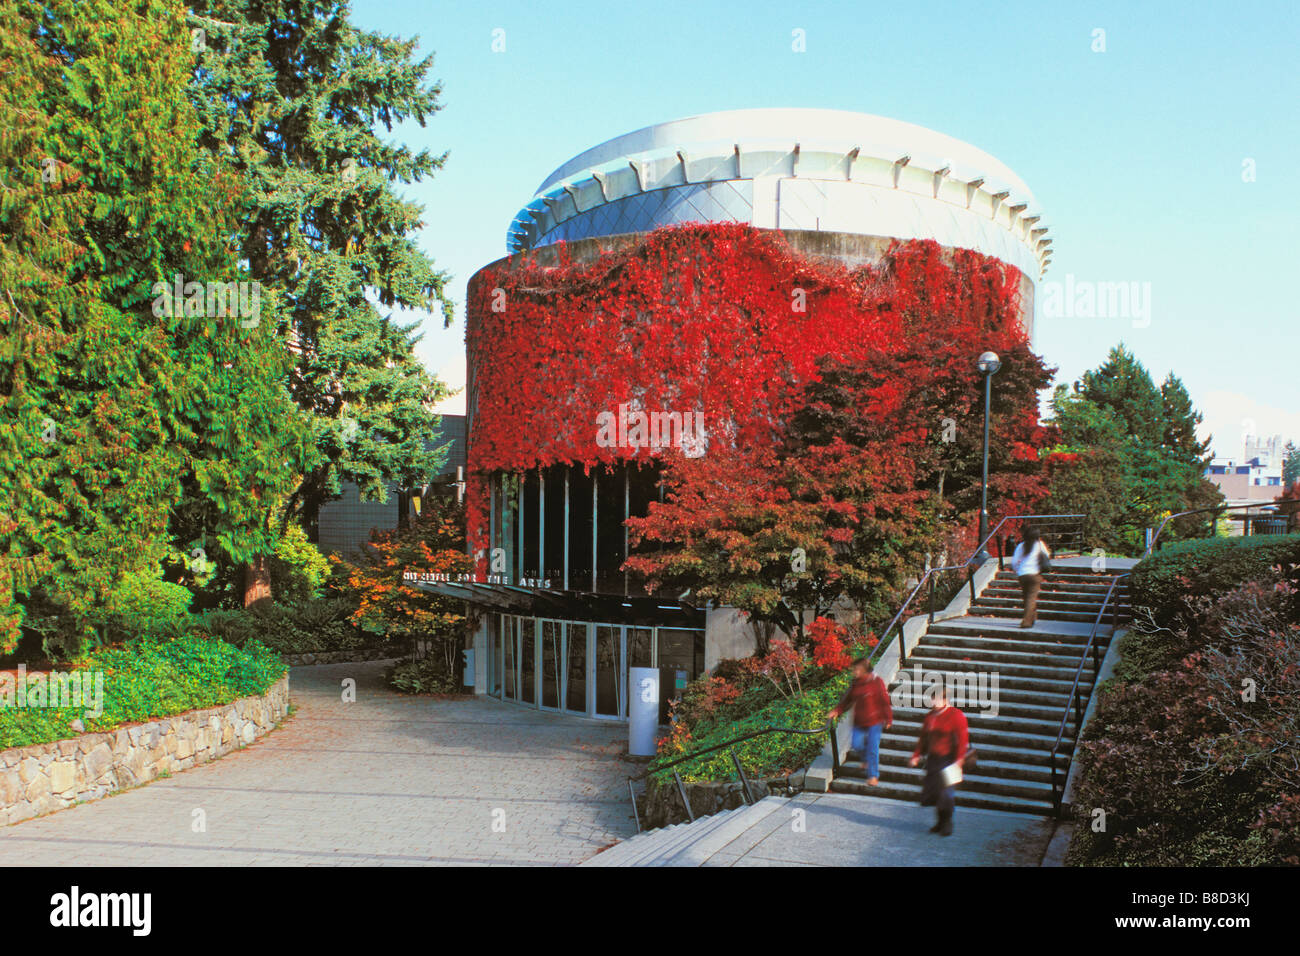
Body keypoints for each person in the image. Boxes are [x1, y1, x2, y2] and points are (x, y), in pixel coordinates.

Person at [908, 687, 969, 836]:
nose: (934, 703)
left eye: (937, 699)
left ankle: (947, 823)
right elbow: (923, 739)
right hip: (933, 760)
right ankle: (940, 822)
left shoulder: (956, 715)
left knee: (946, 794)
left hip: (949, 760)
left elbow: (962, 740)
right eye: (932, 699)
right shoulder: (930, 717)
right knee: (935, 794)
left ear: (945, 700)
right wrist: (916, 755)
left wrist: (959, 760)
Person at [827, 657, 892, 785]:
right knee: (856, 744)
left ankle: (873, 775)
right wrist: (837, 710)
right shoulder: (855, 683)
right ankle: (866, 760)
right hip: (859, 721)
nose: (854, 672)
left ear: (864, 670)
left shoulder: (877, 682)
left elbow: (884, 701)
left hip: (875, 720)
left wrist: (888, 718)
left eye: (856, 669)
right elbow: (847, 700)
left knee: (873, 748)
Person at [1010, 525, 1052, 628]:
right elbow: (1047, 556)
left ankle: (1032, 617)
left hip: (1023, 575)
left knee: (1026, 597)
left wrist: (1017, 570)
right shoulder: (1040, 545)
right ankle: (1027, 622)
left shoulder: (1021, 546)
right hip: (1035, 574)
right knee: (1031, 598)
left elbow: (1014, 562)